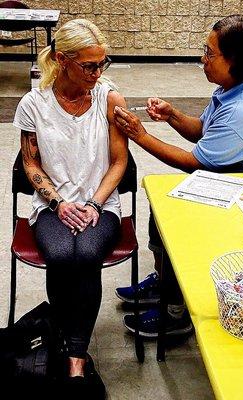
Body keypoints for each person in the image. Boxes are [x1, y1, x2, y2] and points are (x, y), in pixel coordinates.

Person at [113, 15, 243, 339]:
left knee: (176, 218)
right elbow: (204, 132)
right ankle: (166, 280)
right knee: (162, 207)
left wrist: (139, 134)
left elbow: (195, 163)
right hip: (233, 176)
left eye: (209, 53)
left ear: (234, 61)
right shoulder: (234, 88)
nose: (202, 59)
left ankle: (175, 312)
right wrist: (173, 115)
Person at [13, 19, 128, 398]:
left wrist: (95, 202)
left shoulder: (109, 98)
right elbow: (30, 163)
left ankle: (74, 358)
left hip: (101, 201)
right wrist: (58, 202)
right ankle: (66, 343)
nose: (98, 73)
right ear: (62, 60)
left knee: (88, 253)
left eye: (102, 64)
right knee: (63, 254)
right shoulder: (35, 103)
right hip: (51, 205)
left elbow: (118, 163)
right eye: (89, 65)